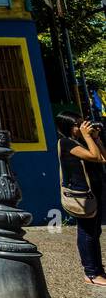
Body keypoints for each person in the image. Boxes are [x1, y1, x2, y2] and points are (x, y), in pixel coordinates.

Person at [56, 112, 106, 287]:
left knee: (95, 232)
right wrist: (87, 137)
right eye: (78, 124)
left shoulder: (83, 141)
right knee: (87, 233)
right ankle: (91, 273)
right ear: (68, 127)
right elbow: (94, 157)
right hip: (82, 195)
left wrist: (96, 138)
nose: (83, 126)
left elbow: (103, 158)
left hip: (95, 191)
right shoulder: (66, 143)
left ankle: (98, 269)